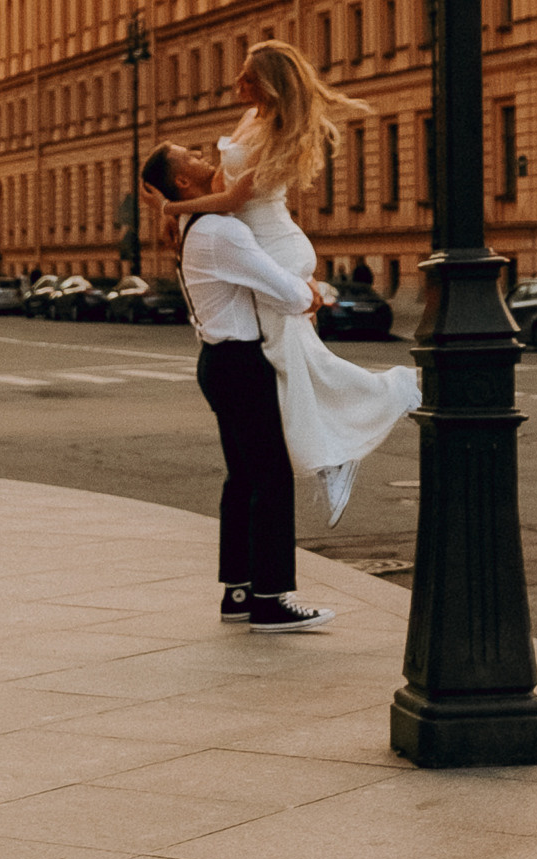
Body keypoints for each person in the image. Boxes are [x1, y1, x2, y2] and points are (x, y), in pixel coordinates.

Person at [165, 40, 420, 523]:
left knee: (289, 356)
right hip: (259, 246)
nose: (236, 83)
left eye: (246, 77)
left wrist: (174, 208)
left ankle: (388, 400)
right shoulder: (253, 119)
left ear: (266, 83)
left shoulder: (275, 129)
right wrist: (182, 217)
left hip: (273, 246)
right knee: (290, 358)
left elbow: (236, 198)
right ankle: (334, 454)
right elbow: (221, 182)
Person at [142, 140, 335, 632]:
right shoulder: (221, 232)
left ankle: (240, 592)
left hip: (221, 362)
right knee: (269, 477)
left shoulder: (194, 225)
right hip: (242, 364)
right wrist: (312, 293)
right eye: (192, 157)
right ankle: (271, 600)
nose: (206, 157)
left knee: (244, 479)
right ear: (182, 181)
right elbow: (286, 290)